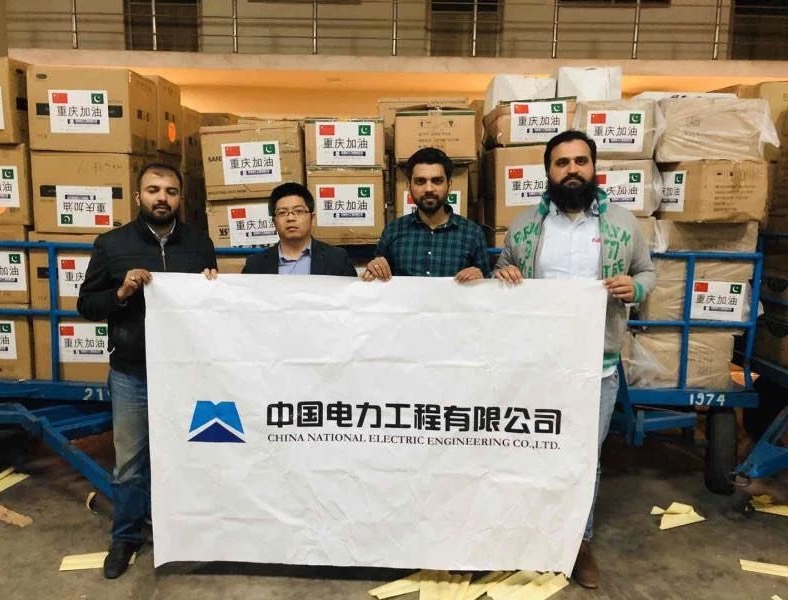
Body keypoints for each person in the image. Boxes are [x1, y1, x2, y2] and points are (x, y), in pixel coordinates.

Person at [494, 130, 655, 589]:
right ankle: (526, 534)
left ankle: (578, 543)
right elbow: (501, 270)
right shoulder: (525, 226)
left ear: (593, 167)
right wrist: (504, 272)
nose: (572, 170)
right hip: (536, 363)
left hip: (596, 366)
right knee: (528, 448)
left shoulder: (622, 223)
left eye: (580, 161)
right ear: (548, 171)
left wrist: (635, 287)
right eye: (562, 162)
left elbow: (647, 271)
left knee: (584, 457)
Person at [77, 162, 218, 579]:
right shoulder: (111, 244)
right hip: (133, 373)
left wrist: (212, 286)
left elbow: (210, 305)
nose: (162, 198)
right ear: (138, 195)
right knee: (130, 464)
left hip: (187, 372)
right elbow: (87, 305)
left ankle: (191, 533)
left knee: (192, 455)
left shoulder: (199, 243)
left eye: (171, 191)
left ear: (180, 198)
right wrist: (120, 292)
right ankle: (125, 537)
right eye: (154, 190)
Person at [362, 147, 489, 282]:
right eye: (420, 181)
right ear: (409, 187)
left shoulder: (472, 233)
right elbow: (378, 279)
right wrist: (374, 268)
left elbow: (488, 285)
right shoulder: (393, 231)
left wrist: (481, 278)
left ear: (449, 185)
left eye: (437, 181)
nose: (429, 189)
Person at [241, 182, 356, 276]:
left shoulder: (337, 259)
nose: (290, 218)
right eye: (282, 212)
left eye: (299, 211)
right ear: (274, 222)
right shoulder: (255, 265)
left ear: (312, 218)